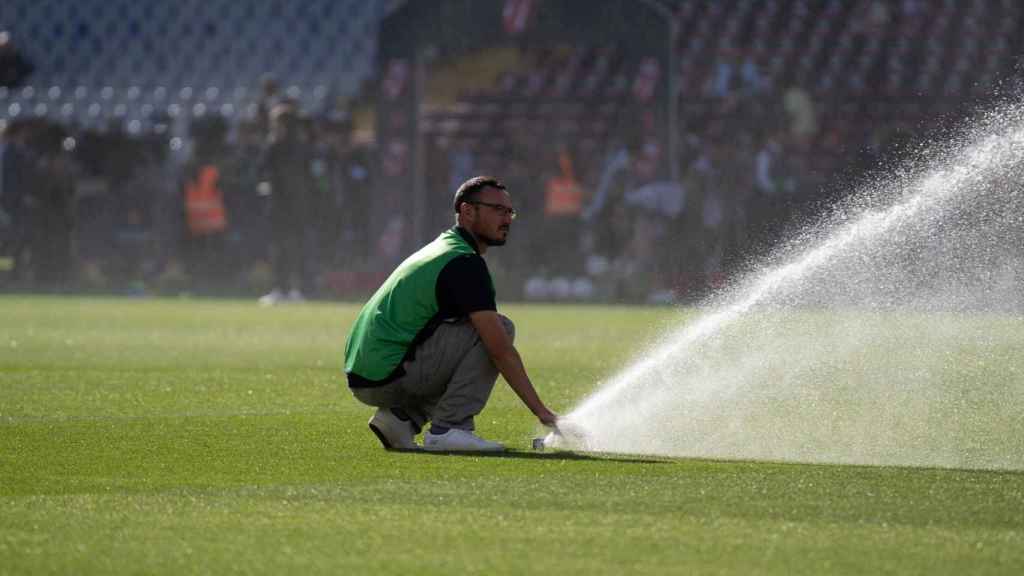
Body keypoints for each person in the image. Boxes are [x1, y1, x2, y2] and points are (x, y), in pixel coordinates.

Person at [344, 176, 558, 452]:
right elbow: (500, 350)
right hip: (387, 376)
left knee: (474, 334)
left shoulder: (445, 247)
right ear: (468, 211)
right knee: (500, 329)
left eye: (509, 212)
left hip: (367, 374)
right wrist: (543, 412)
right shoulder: (464, 262)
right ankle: (450, 428)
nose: (506, 219)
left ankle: (401, 420)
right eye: (497, 210)